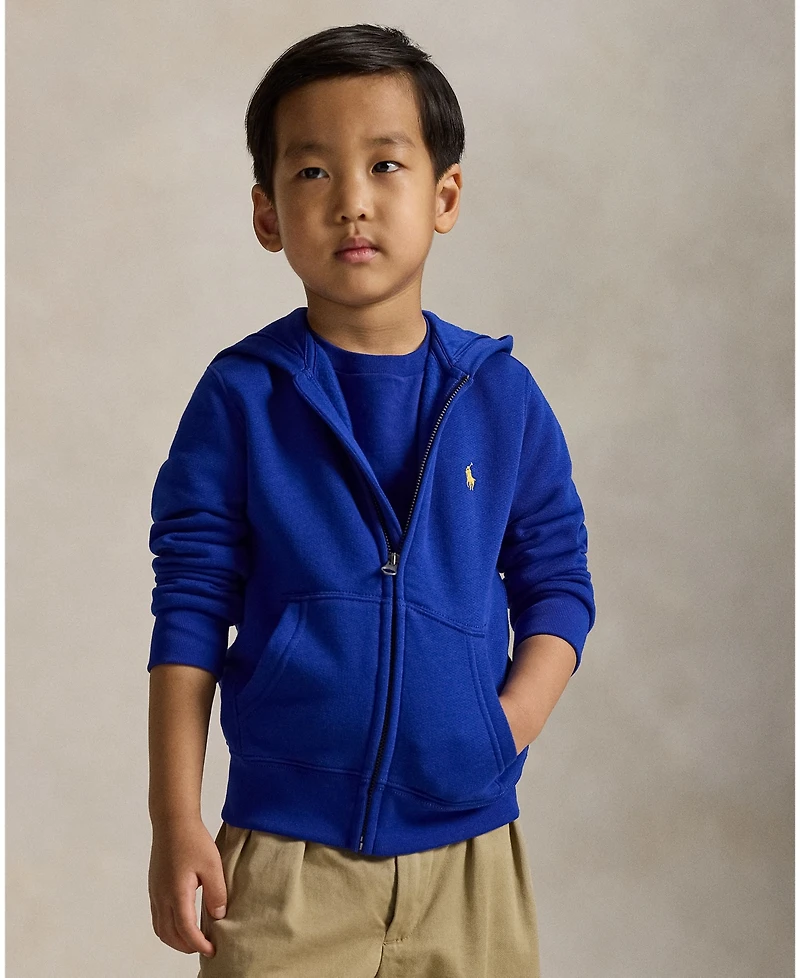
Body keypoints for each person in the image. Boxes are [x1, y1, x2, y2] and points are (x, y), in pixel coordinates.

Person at [146, 22, 596, 978]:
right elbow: (189, 610)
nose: (352, 200)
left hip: (470, 859)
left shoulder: (502, 398)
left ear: (444, 196)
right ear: (267, 213)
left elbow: (558, 584)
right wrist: (174, 819)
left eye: (386, 165)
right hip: (284, 861)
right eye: (313, 172)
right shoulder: (240, 398)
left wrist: (501, 729)